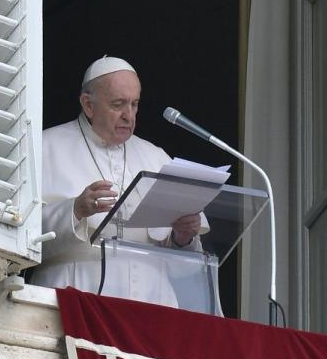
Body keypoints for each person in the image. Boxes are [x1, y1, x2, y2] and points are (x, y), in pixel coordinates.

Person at [32, 56, 205, 307]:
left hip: (152, 302)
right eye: (118, 104)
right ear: (88, 105)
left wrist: (183, 237)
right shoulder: (45, 148)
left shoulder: (156, 157)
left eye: (134, 104)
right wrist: (75, 211)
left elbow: (185, 268)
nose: (129, 115)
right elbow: (20, 238)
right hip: (75, 293)